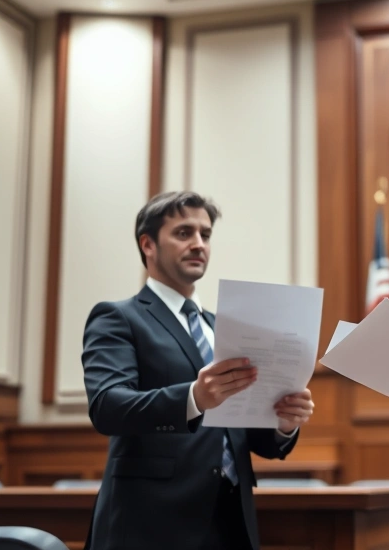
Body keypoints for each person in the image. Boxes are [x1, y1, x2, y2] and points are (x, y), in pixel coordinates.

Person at [82, 191, 315, 550]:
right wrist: (193, 398)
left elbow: (248, 437)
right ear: (148, 244)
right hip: (152, 523)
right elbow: (108, 406)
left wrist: (284, 424)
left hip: (231, 520)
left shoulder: (225, 327)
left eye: (205, 235)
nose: (198, 244)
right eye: (183, 233)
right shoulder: (118, 317)